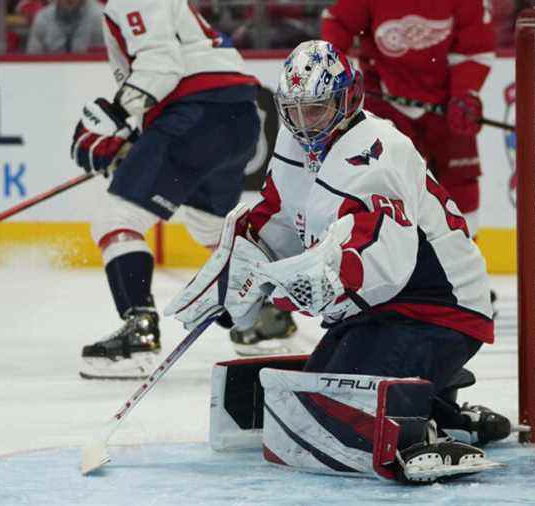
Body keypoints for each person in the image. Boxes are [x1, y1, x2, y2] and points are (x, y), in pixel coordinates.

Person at [165, 40, 510, 475]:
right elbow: (277, 219)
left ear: (346, 99)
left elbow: (381, 266)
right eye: (293, 110)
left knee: (337, 418)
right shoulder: (295, 144)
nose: (304, 124)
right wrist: (236, 270)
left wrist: (297, 287)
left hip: (437, 312)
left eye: (316, 109)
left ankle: (425, 433)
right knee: (314, 395)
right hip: (376, 314)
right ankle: (445, 408)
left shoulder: (376, 151)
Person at [70, 0, 267, 379]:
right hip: (236, 114)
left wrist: (115, 118)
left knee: (117, 218)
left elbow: (161, 66)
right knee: (209, 228)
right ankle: (260, 321)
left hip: (196, 112)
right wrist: (134, 141)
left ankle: (138, 334)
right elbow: (177, 69)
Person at [320, 0, 495, 237]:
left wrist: (465, 92)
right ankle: (378, 246)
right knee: (379, 179)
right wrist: (334, 73)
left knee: (459, 180)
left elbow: (475, 47)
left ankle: (466, 248)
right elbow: (338, 25)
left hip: (446, 102)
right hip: (385, 100)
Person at [26, 0, 103, 54]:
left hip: (88, 72)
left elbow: (103, 60)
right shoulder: (43, 17)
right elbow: (33, 58)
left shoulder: (99, 17)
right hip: (50, 71)